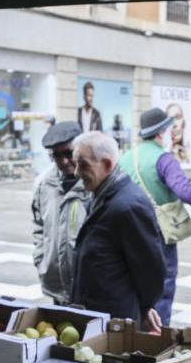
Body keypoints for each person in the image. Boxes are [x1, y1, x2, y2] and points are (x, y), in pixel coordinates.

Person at [120, 107, 191, 326]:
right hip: (159, 233)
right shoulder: (163, 159)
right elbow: (184, 190)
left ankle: (133, 332)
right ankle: (158, 335)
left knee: (134, 281)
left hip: (129, 231)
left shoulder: (126, 158)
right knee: (162, 284)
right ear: (161, 133)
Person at [69, 131, 165, 329]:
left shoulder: (128, 206)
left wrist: (146, 306)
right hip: (95, 315)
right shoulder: (100, 195)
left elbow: (151, 269)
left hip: (115, 322)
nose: (76, 172)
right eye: (76, 163)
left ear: (106, 165)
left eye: (83, 164)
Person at [32, 121, 90, 305]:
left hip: (90, 286)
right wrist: (41, 261)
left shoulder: (95, 181)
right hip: (57, 284)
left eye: (68, 153)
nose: (63, 161)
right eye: (56, 155)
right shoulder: (44, 184)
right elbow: (38, 225)